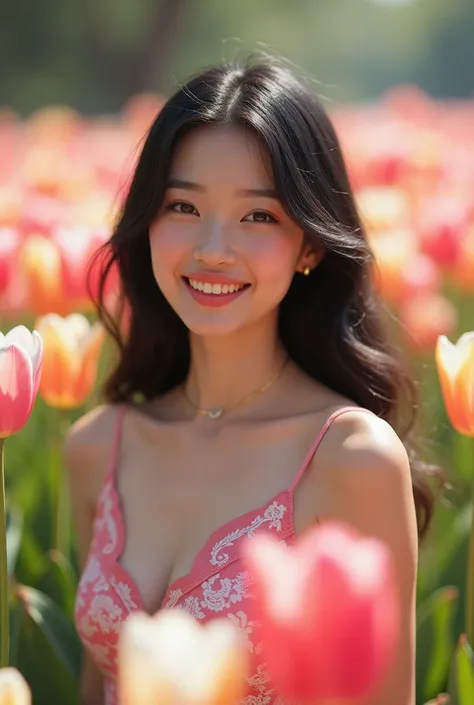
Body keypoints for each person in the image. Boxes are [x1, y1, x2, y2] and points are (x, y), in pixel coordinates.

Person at [66, 57, 433, 705]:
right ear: (147, 221)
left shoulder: (351, 459)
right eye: (182, 205)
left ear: (311, 246)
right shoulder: (98, 447)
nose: (213, 248)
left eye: (257, 216)